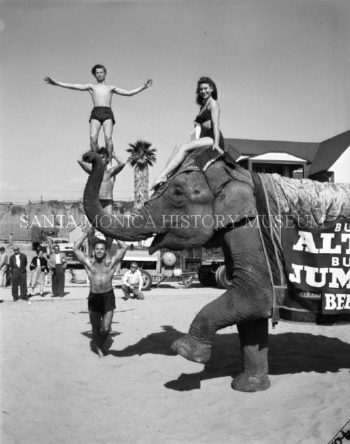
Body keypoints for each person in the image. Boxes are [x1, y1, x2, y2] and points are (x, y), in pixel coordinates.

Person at [44, 65, 153, 158]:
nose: (99, 74)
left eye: (101, 72)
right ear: (95, 75)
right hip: (96, 112)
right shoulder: (91, 87)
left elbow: (129, 93)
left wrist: (144, 87)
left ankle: (109, 160)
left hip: (107, 112)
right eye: (97, 73)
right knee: (92, 137)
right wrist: (56, 83)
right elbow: (74, 86)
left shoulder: (111, 88)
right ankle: (97, 160)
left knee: (108, 137)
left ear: (105, 73)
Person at [151, 76, 224, 190]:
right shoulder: (203, 105)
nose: (203, 91)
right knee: (178, 146)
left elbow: (216, 124)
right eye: (201, 89)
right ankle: (167, 175)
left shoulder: (213, 103)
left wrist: (217, 143)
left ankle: (161, 176)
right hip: (204, 137)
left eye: (205, 88)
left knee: (184, 147)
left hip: (212, 138)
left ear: (212, 89)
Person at [73, 229, 128, 358]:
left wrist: (113, 233)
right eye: (97, 249)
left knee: (106, 329)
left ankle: (99, 345)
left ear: (106, 251)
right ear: (93, 250)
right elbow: (75, 248)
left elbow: (124, 247)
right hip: (94, 298)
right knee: (96, 329)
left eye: (102, 249)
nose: (99, 251)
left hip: (108, 297)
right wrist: (86, 234)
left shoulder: (111, 264)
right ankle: (99, 348)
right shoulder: (88, 264)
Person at [78, 147, 125, 253]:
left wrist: (113, 154)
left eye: (103, 158)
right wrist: (89, 150)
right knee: (91, 230)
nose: (101, 160)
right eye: (99, 157)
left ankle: (107, 252)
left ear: (107, 159)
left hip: (108, 202)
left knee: (109, 229)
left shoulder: (111, 172)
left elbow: (122, 163)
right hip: (96, 202)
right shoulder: (93, 171)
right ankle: (90, 252)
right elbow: (80, 160)